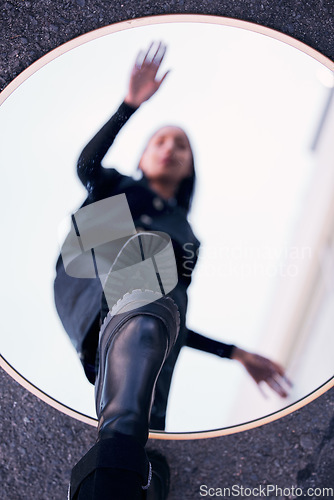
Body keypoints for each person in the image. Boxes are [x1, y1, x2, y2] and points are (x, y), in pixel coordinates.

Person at [54, 42, 290, 499]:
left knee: (164, 318)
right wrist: (130, 105)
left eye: (180, 145)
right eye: (160, 141)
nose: (170, 148)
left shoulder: (185, 233)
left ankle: (134, 460)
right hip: (88, 270)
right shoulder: (117, 186)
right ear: (143, 156)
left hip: (145, 302)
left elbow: (169, 311)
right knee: (155, 251)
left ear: (189, 168)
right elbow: (85, 165)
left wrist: (234, 353)